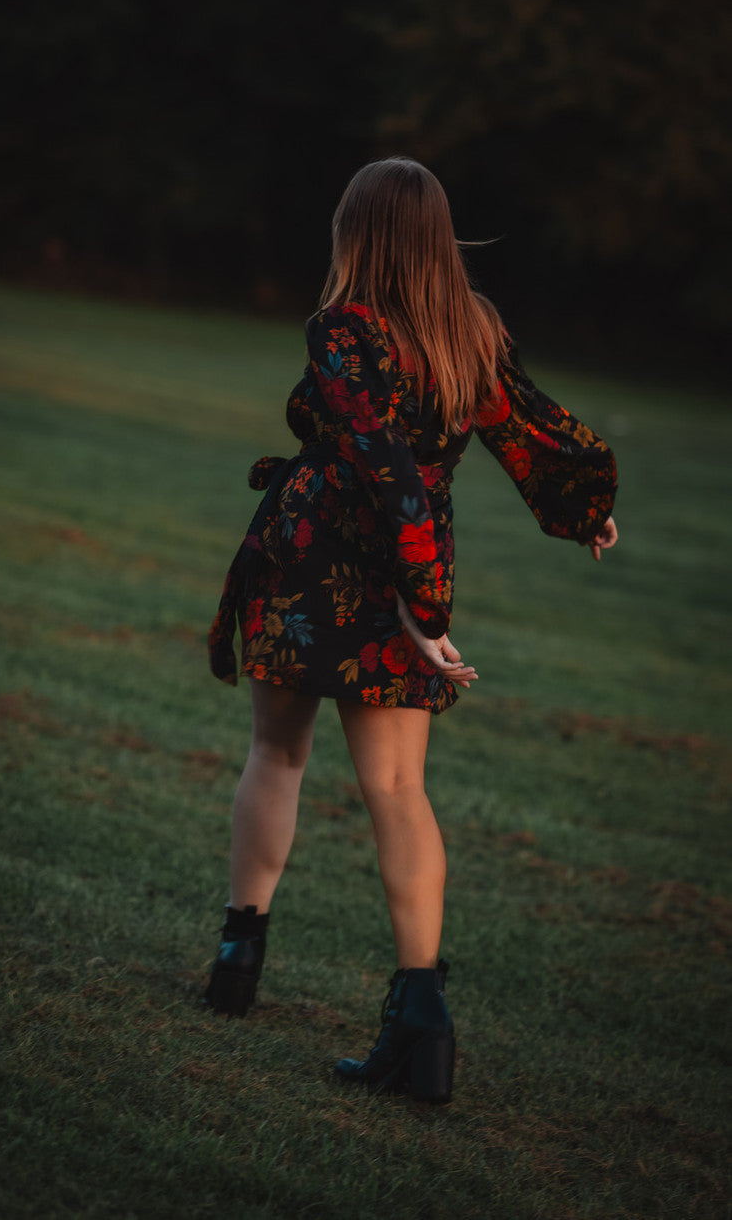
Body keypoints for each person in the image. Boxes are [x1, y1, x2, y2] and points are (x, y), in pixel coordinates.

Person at [204, 157, 618, 1102]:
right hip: (398, 557)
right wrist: (579, 504)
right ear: (436, 236)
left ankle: (239, 957)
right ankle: (419, 1023)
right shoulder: (469, 327)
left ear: (355, 233)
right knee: (399, 787)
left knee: (277, 755)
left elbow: (379, 462)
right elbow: (531, 432)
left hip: (321, 559)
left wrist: (419, 603)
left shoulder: (345, 329)